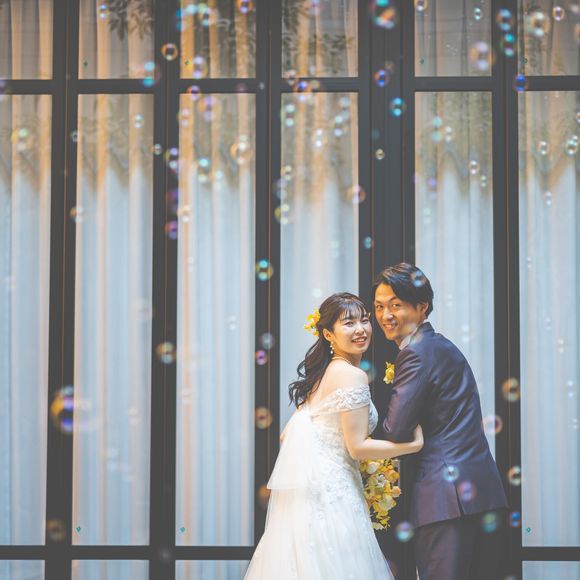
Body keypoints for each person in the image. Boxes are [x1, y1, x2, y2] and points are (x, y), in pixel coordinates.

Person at [245, 292, 424, 580]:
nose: (360, 329)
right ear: (328, 334)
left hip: (315, 494)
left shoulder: (323, 375)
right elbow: (357, 447)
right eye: (349, 323)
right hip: (336, 495)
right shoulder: (351, 375)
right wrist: (412, 445)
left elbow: (287, 435)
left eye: (364, 320)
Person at [374, 263, 508, 580]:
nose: (385, 315)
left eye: (396, 305)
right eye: (379, 306)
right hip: (472, 493)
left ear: (422, 307)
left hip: (444, 498)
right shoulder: (438, 346)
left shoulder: (417, 352)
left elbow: (395, 429)